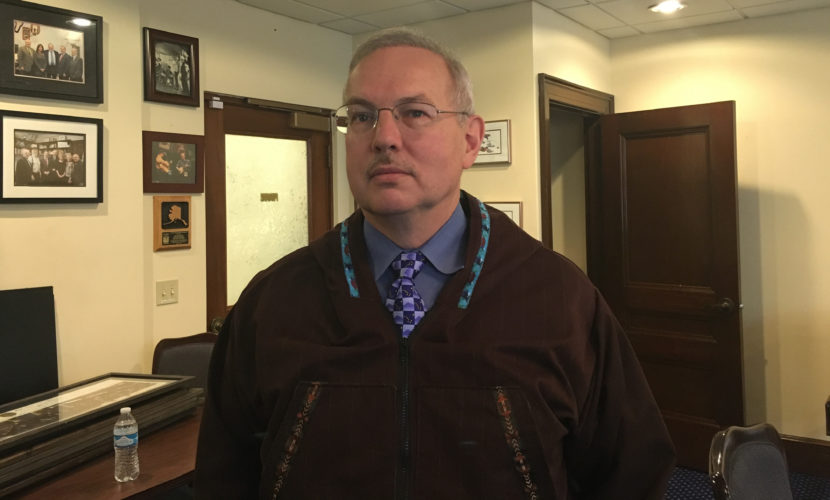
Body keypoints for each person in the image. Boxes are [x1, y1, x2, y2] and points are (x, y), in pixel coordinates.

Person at [195, 29, 675, 499]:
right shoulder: (274, 301)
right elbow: (224, 473)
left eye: (415, 113)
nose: (384, 137)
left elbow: (632, 471)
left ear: (470, 141)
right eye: (361, 116)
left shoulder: (560, 298)